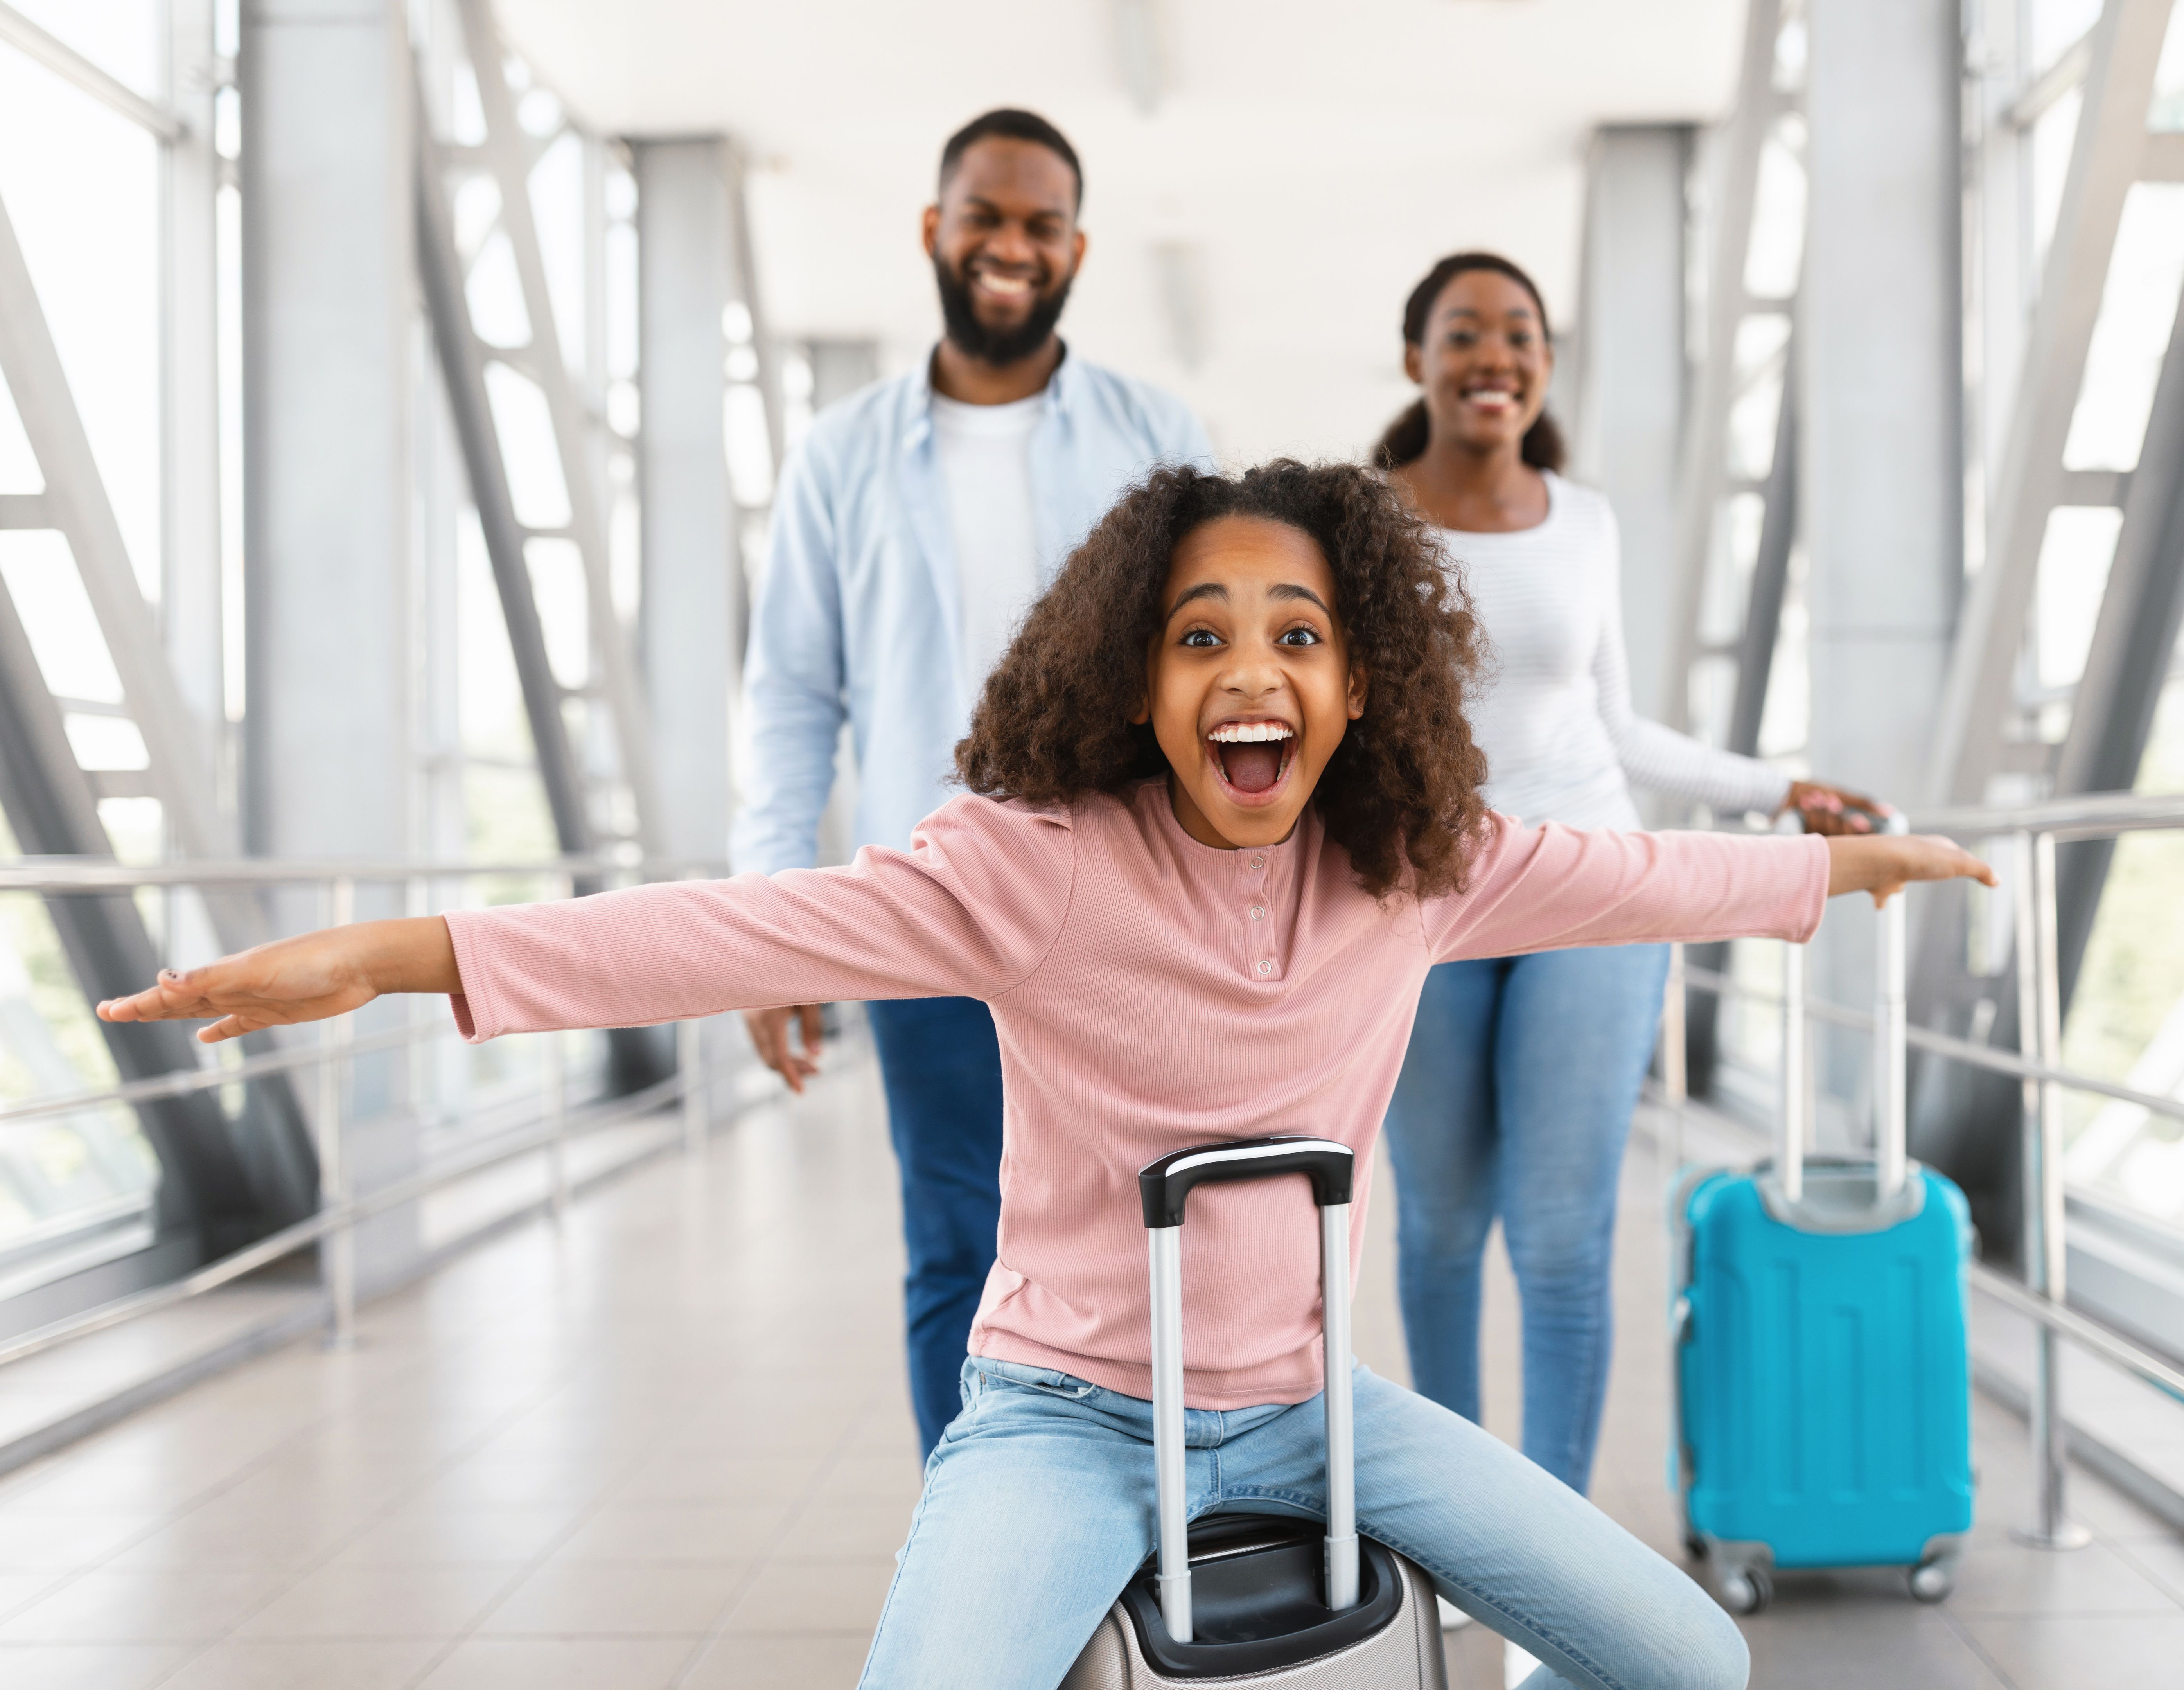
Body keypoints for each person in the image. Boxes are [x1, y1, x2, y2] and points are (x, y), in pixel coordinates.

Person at [103, 461, 1991, 1689]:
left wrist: (1853, 863)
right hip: (1067, 1414)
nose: (1249, 669)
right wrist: (394, 953)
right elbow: (730, 930)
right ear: (1135, 679)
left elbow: (1650, 875)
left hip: (1311, 1409)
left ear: (1359, 688)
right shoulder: (1033, 867)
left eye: (1297, 636)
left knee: (1690, 1661)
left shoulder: (1423, 862)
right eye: (1200, 636)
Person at [733, 108, 1210, 1455]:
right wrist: (777, 918)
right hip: (930, 905)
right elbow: (789, 700)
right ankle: (980, 1562)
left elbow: (1219, 665)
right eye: (984, 219)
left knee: (1143, 1235)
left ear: (1077, 249)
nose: (1010, 247)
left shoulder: (1158, 435)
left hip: (1129, 903)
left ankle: (1133, 1549)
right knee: (958, 1241)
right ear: (935, 232)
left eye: (1039, 225)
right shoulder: (842, 456)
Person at [1372, 252, 1884, 1493]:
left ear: (1544, 361)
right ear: (1417, 360)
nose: (1494, 354)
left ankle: (1552, 1566)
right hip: (1419, 905)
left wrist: (1780, 790)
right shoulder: (1359, 522)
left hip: (1591, 887)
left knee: (1560, 1241)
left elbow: (1620, 729)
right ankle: (1452, 1527)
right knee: (1441, 1230)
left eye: (1519, 333)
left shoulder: (1584, 519)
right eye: (1463, 332)